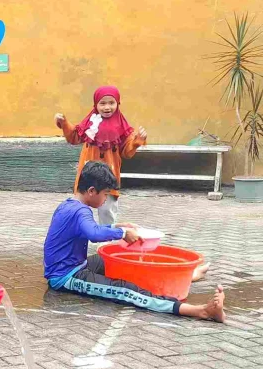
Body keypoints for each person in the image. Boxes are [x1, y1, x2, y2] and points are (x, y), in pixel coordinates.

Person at [44, 160, 222, 322]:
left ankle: (187, 277)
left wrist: (116, 226)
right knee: (124, 289)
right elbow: (93, 233)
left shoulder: (69, 205)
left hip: (78, 264)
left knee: (126, 267)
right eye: (105, 194)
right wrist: (122, 232)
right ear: (91, 191)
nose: (106, 199)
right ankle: (199, 311)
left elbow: (88, 229)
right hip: (65, 276)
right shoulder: (81, 211)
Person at [55, 86, 147, 226]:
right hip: (88, 172)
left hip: (108, 174)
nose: (107, 107)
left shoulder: (122, 126)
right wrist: (63, 122)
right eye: (102, 103)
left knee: (107, 210)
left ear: (118, 104)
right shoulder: (89, 123)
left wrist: (136, 142)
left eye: (112, 103)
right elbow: (74, 137)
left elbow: (126, 152)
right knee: (80, 207)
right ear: (96, 104)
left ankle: (106, 243)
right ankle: (79, 235)